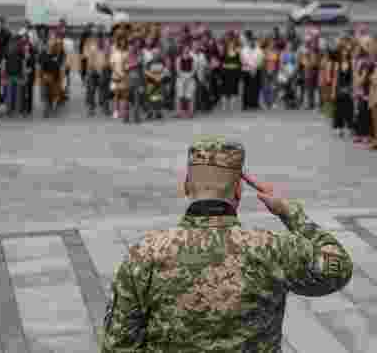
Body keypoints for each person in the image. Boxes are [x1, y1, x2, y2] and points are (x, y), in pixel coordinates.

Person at [101, 136, 352, 352]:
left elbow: (117, 345)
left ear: (186, 185)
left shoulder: (144, 255)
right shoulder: (272, 249)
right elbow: (337, 267)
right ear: (239, 192)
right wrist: (290, 212)